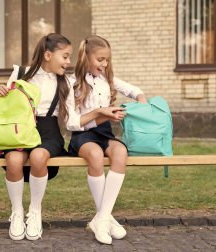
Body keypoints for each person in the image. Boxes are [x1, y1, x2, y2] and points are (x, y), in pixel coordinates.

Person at [0, 33, 121, 241]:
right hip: (20, 131)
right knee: (13, 160)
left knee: (38, 157)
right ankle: (17, 213)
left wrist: (100, 112)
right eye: (64, 56)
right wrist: (1, 92)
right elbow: (7, 107)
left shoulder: (65, 83)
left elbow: (72, 121)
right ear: (47, 55)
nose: (68, 62)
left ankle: (35, 212)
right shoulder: (20, 73)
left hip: (48, 132)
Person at [67, 34, 148, 244]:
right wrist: (100, 112)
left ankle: (102, 218)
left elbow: (134, 90)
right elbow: (72, 122)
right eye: (100, 59)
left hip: (104, 133)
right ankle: (106, 219)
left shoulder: (107, 80)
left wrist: (141, 102)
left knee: (120, 152)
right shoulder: (71, 82)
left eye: (107, 60)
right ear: (86, 57)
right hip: (82, 135)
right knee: (94, 154)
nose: (104, 64)